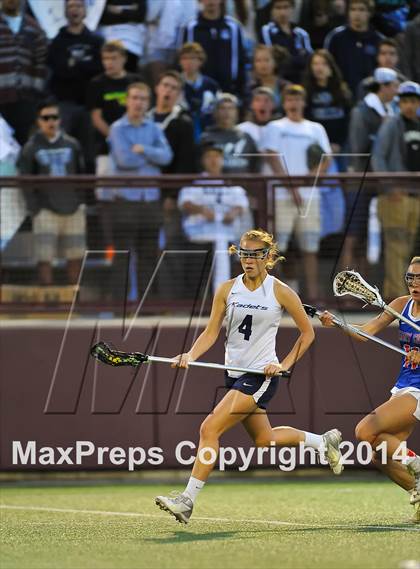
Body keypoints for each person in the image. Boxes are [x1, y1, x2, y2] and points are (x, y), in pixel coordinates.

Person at [155, 228, 344, 524]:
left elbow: (307, 335)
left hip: (260, 376)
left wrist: (283, 364)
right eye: (244, 253)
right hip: (234, 375)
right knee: (264, 439)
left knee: (209, 429)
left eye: (255, 254)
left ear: (268, 257)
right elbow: (211, 331)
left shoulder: (280, 291)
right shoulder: (227, 289)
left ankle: (187, 500)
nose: (248, 259)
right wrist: (190, 355)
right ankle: (322, 442)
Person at [320, 256, 420, 524]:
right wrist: (338, 323)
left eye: (419, 278)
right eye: (410, 278)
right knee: (379, 454)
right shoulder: (401, 305)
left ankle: (417, 463)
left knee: (365, 430)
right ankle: (418, 493)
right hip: (405, 385)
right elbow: (365, 334)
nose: (414, 284)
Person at [262, 84, 332, 301]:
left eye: (297, 99)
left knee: (310, 248)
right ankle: (272, 299)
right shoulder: (275, 127)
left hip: (310, 198)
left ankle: (313, 298)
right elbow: (272, 158)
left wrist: (309, 179)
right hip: (281, 196)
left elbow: (326, 158)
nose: (294, 103)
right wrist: (292, 187)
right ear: (284, 103)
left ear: (304, 102)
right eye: (289, 99)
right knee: (275, 249)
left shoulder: (316, 128)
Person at [106, 82, 173, 300]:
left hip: (150, 200)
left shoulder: (154, 128)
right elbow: (125, 160)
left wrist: (144, 149)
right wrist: (152, 156)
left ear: (148, 103)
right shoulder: (117, 128)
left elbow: (167, 157)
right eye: (134, 98)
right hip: (125, 199)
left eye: (143, 99)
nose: (138, 102)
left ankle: (147, 304)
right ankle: (120, 304)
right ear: (127, 100)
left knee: (148, 254)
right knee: (123, 254)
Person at [18, 99, 86, 286]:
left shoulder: (72, 144)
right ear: (38, 121)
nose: (51, 121)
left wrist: (80, 201)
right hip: (45, 210)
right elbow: (25, 180)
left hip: (72, 209)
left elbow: (82, 174)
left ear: (60, 120)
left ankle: (74, 302)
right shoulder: (31, 147)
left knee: (75, 256)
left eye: (54, 117)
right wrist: (35, 208)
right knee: (44, 257)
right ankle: (48, 300)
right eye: (46, 118)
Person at [342, 66, 400, 275]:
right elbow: (358, 149)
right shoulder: (361, 111)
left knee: (371, 236)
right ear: (383, 87)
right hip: (360, 180)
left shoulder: (392, 111)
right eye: (394, 85)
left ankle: (364, 289)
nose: (396, 90)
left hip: (380, 182)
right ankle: (344, 290)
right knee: (353, 235)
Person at [178, 143, 250, 292]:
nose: (213, 160)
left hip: (227, 237)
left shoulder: (230, 184)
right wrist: (201, 210)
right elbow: (185, 203)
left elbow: (241, 204)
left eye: (217, 157)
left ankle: (224, 300)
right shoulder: (195, 183)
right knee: (199, 273)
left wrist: (234, 212)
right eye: (209, 157)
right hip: (200, 236)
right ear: (203, 161)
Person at [371, 81, 420, 299]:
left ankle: (406, 296)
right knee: (396, 247)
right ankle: (395, 298)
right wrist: (390, 187)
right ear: (399, 103)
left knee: (407, 246)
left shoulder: (417, 124)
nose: (409, 105)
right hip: (396, 195)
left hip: (414, 195)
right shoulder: (392, 123)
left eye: (413, 101)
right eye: (406, 101)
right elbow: (378, 156)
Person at [48, 0, 103, 172]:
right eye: (71, 7)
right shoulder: (57, 42)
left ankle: (88, 195)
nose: (75, 10)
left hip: (89, 105)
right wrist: (84, 66)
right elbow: (59, 70)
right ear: (65, 12)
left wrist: (74, 65)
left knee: (89, 152)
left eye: (78, 6)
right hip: (65, 104)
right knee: (64, 151)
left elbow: (99, 69)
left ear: (85, 11)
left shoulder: (96, 40)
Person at [0, 0, 48, 145]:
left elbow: (41, 63)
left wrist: (35, 92)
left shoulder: (34, 28)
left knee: (23, 145)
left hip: (25, 100)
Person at [179, 0, 248, 99]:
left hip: (229, 91)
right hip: (199, 92)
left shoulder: (233, 27)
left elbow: (241, 60)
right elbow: (184, 59)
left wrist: (241, 91)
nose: (211, 2)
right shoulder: (191, 28)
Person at [324, 0, 383, 97]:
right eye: (353, 9)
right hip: (341, 95)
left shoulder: (378, 40)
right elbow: (327, 66)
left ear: (370, 13)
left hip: (371, 95)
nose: (357, 14)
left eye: (361, 10)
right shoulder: (336, 38)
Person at [303, 49, 352, 159]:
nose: (319, 68)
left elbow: (347, 120)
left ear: (331, 67)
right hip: (314, 146)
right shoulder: (306, 91)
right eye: (315, 64)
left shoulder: (342, 91)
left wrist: (338, 143)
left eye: (324, 63)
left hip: (340, 146)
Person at [200, 93, 259, 175]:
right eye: (222, 108)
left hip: (242, 185)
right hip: (216, 185)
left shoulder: (246, 138)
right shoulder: (206, 138)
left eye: (231, 108)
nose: (227, 112)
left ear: (236, 112)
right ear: (215, 112)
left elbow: (255, 166)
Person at [260, 0, 313, 84]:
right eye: (278, 8)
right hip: (279, 80)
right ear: (272, 10)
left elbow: (309, 60)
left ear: (292, 9)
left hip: (301, 81)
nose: (282, 12)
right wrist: (298, 57)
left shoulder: (301, 34)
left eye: (286, 7)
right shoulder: (267, 31)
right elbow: (272, 58)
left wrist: (285, 56)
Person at [178, 42, 221, 142]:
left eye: (193, 58)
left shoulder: (211, 85)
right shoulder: (175, 84)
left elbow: (217, 109)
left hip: (208, 132)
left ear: (201, 61)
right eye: (185, 58)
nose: (189, 62)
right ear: (180, 61)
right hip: (182, 133)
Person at [249, 44, 290, 115]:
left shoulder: (286, 86)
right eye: (258, 60)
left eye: (267, 60)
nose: (263, 64)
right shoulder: (250, 87)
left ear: (275, 63)